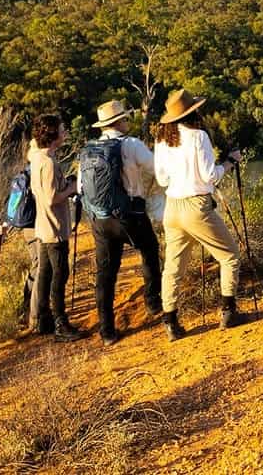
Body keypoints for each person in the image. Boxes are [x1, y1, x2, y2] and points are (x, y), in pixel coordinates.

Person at [153, 89, 246, 338]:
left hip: (171, 207)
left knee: (173, 268)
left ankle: (171, 323)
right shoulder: (199, 137)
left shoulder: (161, 140)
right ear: (193, 112)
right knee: (230, 257)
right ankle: (228, 311)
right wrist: (229, 161)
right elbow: (210, 176)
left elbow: (162, 179)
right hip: (197, 207)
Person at [80, 99, 163, 345]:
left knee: (106, 273)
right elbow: (157, 168)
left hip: (99, 219)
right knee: (149, 249)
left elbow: (81, 188)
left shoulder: (89, 149)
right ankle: (153, 302)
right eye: (125, 118)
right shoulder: (131, 144)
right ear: (118, 121)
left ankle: (107, 331)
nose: (128, 120)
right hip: (129, 214)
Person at [27, 114, 82, 341]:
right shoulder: (48, 163)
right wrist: (72, 188)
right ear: (52, 135)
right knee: (60, 275)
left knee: (46, 274)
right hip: (54, 227)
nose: (65, 131)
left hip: (43, 227)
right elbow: (51, 197)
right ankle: (61, 324)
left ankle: (43, 320)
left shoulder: (36, 156)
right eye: (61, 129)